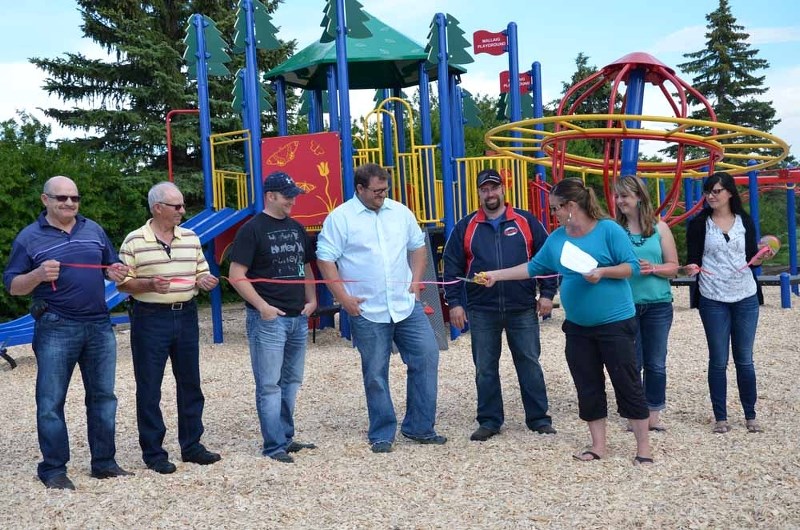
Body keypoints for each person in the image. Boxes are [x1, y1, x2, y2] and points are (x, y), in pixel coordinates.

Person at [482, 178, 653, 464]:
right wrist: (496, 275)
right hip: (578, 327)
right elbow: (534, 267)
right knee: (587, 385)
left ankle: (643, 449)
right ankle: (598, 445)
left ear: (571, 206)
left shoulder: (608, 229)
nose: (554, 214)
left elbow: (631, 267)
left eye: (556, 208)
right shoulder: (558, 238)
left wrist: (601, 272)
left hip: (614, 323)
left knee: (627, 382)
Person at [3, 176, 133, 490]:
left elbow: (111, 265)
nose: (69, 204)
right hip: (56, 326)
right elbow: (12, 286)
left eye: (74, 198)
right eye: (61, 198)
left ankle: (104, 463)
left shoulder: (94, 230)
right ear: (44, 200)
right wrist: (36, 274)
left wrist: (117, 271)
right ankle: (53, 469)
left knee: (104, 398)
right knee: (51, 401)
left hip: (100, 326)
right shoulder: (29, 237)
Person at [316, 163, 446, 453]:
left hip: (404, 304)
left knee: (427, 356)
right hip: (365, 309)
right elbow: (325, 259)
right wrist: (343, 299)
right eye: (376, 191)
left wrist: (416, 280)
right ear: (360, 189)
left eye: (385, 190)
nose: (382, 196)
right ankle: (382, 432)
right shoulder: (340, 219)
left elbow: (418, 246)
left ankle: (419, 427)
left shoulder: (400, 212)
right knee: (375, 372)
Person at [443, 168, 557, 441]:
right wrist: (455, 304)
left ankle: (539, 419)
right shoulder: (466, 226)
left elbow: (548, 257)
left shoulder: (525, 221)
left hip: (522, 306)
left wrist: (548, 293)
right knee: (484, 367)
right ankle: (490, 420)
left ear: (503, 190)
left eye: (494, 188)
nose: (490, 193)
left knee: (529, 362)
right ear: (479, 192)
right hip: (482, 309)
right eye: (485, 189)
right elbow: (452, 266)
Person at [117, 181, 221, 474]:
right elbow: (122, 283)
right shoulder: (134, 241)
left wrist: (205, 280)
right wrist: (148, 284)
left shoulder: (191, 237)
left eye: (182, 205)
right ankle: (154, 453)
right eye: (177, 206)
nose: (182, 211)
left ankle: (192, 446)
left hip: (186, 315)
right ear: (157, 208)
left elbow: (202, 270)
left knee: (190, 382)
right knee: (149, 387)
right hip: (149, 318)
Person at [228, 172, 318, 464]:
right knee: (269, 384)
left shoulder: (296, 228)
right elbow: (236, 276)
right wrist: (262, 307)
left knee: (291, 380)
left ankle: (285, 436)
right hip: (268, 320)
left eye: (293, 194)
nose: (292, 199)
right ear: (270, 196)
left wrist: (312, 299)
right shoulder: (251, 229)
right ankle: (273, 445)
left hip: (297, 317)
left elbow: (305, 266)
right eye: (287, 194)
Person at [685, 172, 773, 434]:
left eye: (717, 191)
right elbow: (693, 259)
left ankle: (750, 415)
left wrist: (761, 256)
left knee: (745, 359)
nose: (711, 195)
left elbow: (751, 258)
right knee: (718, 359)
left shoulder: (744, 220)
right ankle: (720, 417)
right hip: (713, 297)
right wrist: (691, 267)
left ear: (730, 193)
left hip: (744, 295)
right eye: (708, 191)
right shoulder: (699, 224)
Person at [614, 175, 678, 432]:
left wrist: (653, 268)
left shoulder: (660, 228)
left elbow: (674, 267)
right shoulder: (615, 231)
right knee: (631, 363)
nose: (620, 201)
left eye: (625, 196)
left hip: (658, 305)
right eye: (617, 196)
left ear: (639, 197)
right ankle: (634, 413)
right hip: (626, 306)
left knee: (656, 362)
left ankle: (653, 413)